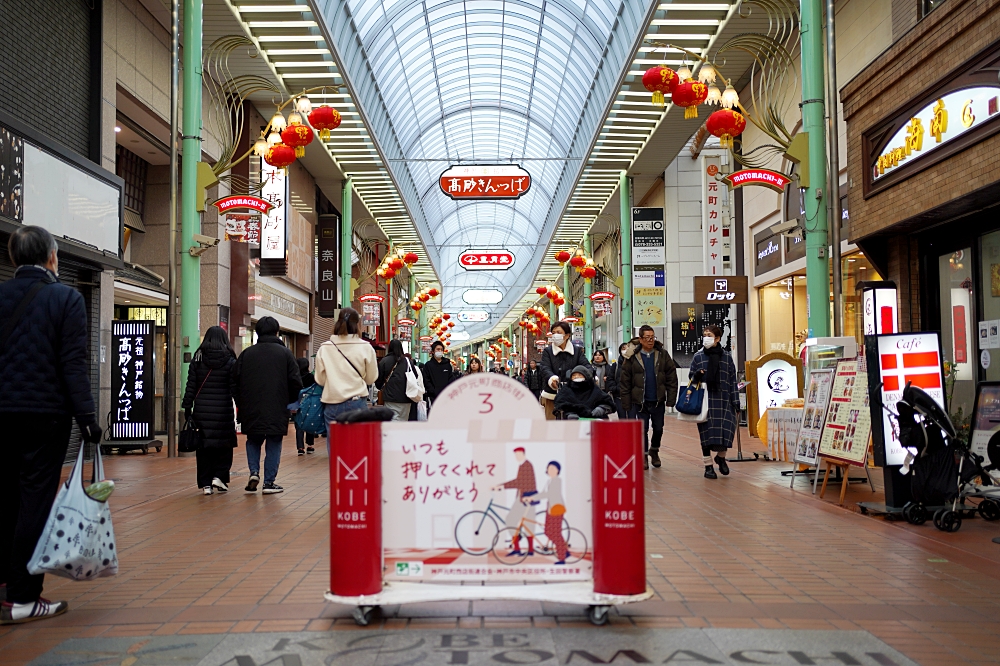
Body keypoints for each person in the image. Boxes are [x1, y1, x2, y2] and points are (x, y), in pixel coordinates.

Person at [0, 225, 101, 624]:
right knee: (34, 504)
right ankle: (24, 597)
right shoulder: (66, 298)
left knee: (5, 499)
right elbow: (72, 365)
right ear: (52, 258)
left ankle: (7, 587)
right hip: (45, 417)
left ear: (13, 260)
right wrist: (89, 420)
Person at [232, 316, 302, 494]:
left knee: (253, 440)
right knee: (274, 441)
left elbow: (234, 382)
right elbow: (296, 381)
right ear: (277, 332)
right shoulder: (285, 353)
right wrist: (288, 400)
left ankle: (254, 472)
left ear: (257, 332)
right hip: (277, 406)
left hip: (251, 406)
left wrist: (241, 401)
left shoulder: (247, 354)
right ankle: (269, 482)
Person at [182, 326, 238, 495]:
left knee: (204, 448)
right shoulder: (230, 360)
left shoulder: (197, 359)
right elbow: (234, 387)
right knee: (224, 446)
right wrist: (241, 405)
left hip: (202, 411)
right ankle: (219, 477)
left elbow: (191, 385)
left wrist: (187, 406)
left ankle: (206, 484)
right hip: (223, 411)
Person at [620, 325, 678, 470]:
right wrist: (626, 403)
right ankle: (644, 455)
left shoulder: (662, 354)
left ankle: (654, 449)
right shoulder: (632, 356)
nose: (650, 340)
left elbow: (671, 376)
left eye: (652, 337)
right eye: (647, 338)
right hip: (639, 401)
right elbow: (625, 380)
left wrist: (671, 398)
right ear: (640, 339)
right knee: (642, 429)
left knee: (658, 428)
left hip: (658, 400)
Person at [689, 325, 740, 479]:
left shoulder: (727, 357)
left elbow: (732, 380)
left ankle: (721, 457)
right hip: (706, 401)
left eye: (709, 335)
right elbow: (691, 378)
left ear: (717, 338)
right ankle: (708, 466)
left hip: (724, 401)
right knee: (706, 435)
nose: (706, 338)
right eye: (704, 335)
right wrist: (697, 375)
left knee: (727, 431)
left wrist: (736, 401)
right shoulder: (698, 357)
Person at [315, 308, 379, 425]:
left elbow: (320, 379)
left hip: (332, 401)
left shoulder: (325, 348)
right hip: (357, 401)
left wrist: (334, 381)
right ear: (357, 324)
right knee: (358, 442)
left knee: (335, 442)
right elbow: (371, 378)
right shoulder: (366, 347)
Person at [492, 447, 537, 556]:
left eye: (518, 454)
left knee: (518, 521)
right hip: (522, 497)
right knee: (517, 521)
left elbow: (520, 482)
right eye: (515, 454)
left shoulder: (526, 465)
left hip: (526, 498)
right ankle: (519, 547)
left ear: (523, 453)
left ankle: (525, 548)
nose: (517, 456)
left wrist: (502, 486)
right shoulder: (522, 465)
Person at [539, 321, 588, 419]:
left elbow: (586, 366)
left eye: (558, 332)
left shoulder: (577, 351)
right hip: (552, 395)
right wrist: (552, 379)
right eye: (553, 333)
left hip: (574, 395)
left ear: (567, 335)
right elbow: (545, 368)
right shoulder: (547, 351)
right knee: (552, 425)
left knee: (572, 425)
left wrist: (586, 376)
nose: (555, 335)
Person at [537, 461, 568, 565]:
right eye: (549, 468)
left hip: (556, 509)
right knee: (547, 531)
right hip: (550, 509)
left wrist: (533, 497)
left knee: (555, 533)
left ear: (558, 471)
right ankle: (564, 551)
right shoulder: (550, 481)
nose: (551, 471)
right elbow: (544, 493)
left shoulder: (557, 481)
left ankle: (562, 558)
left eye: (554, 469)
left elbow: (549, 494)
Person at [376, 339, 414, 421]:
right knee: (403, 421)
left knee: (391, 421)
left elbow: (378, 380)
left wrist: (381, 387)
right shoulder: (408, 361)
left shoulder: (384, 361)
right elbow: (415, 376)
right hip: (406, 397)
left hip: (390, 397)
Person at [422, 340, 456, 406]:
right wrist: (433, 391)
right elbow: (426, 380)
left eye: (441, 349)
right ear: (433, 351)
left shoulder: (447, 365)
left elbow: (451, 378)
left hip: (446, 396)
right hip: (433, 397)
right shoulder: (428, 365)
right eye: (438, 349)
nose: (440, 351)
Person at [294, 357, 316, 455]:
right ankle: (310, 445)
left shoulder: (294, 377)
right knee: (310, 422)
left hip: (297, 403)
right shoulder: (311, 377)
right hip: (309, 402)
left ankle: (300, 447)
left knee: (298, 425)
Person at [612, 343, 629, 418]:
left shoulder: (635, 363)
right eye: (623, 348)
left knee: (632, 418)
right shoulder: (615, 365)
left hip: (631, 396)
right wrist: (614, 389)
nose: (625, 350)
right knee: (622, 418)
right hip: (619, 396)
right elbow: (610, 378)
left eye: (627, 348)